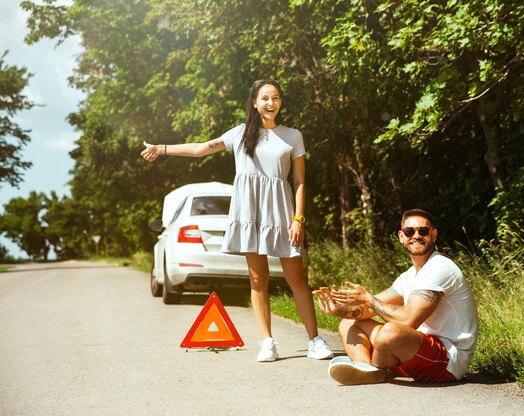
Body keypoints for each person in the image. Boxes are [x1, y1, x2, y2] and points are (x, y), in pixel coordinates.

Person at [141, 79, 333, 362]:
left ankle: (315, 341)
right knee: (258, 279)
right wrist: (162, 148)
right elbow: (200, 149)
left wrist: (299, 219)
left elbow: (300, 181)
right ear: (254, 103)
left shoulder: (292, 136)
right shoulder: (240, 134)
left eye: (276, 98)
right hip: (249, 214)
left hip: (281, 214)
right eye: (265, 98)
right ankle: (267, 341)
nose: (271, 103)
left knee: (297, 279)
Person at [313, 208, 478, 385]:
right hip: (415, 351)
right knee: (348, 323)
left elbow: (408, 321)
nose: (416, 235)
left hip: (446, 362)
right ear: (401, 236)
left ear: (434, 235)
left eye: (423, 231)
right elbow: (368, 309)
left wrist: (368, 298)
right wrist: (338, 310)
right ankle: (365, 368)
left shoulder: (440, 268)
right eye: (409, 231)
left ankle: (377, 367)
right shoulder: (409, 276)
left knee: (391, 331)